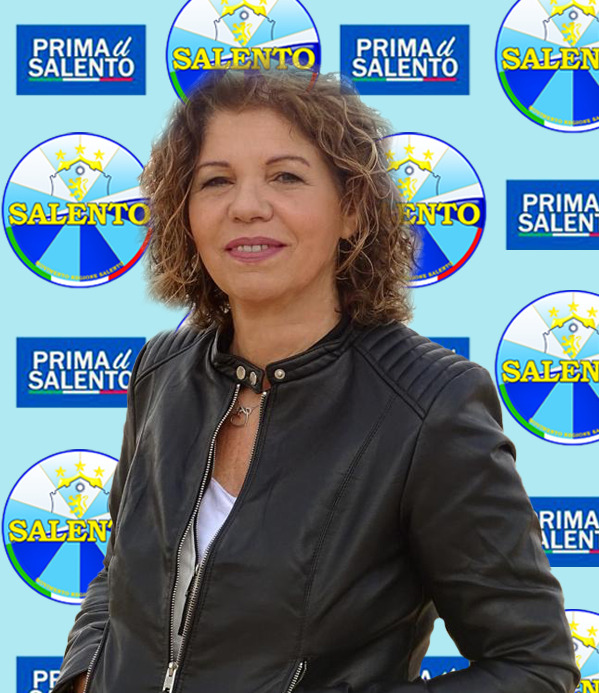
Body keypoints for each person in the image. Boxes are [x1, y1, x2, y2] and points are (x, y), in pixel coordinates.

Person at [54, 70, 579, 693]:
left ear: (350, 210)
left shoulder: (428, 406)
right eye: (216, 181)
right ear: (186, 214)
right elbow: (119, 572)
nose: (247, 205)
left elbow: (533, 666)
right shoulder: (162, 370)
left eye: (286, 177)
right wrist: (84, 676)